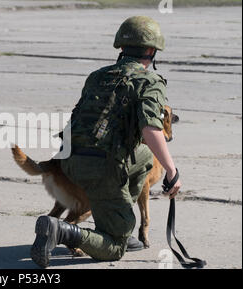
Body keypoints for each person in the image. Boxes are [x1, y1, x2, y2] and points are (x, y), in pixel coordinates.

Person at [30, 16, 182, 268]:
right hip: (102, 168)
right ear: (151, 50)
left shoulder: (97, 76)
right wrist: (172, 171)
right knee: (113, 249)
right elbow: (150, 128)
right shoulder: (150, 81)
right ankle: (62, 231)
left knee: (143, 157)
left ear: (121, 48)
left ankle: (117, 219)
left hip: (70, 160)